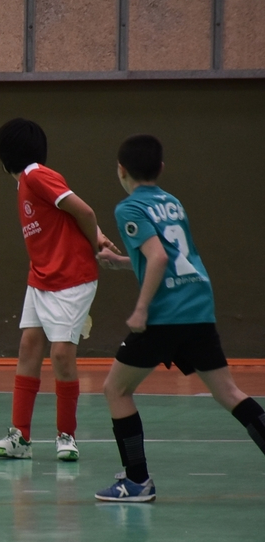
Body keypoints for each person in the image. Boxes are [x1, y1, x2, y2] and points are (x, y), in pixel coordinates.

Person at [94, 134, 265, 502]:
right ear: (161, 168)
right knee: (229, 393)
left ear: (121, 170)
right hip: (198, 305)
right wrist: (123, 262)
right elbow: (171, 257)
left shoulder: (129, 208)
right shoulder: (172, 202)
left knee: (116, 389)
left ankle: (137, 481)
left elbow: (158, 258)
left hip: (165, 315)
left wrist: (141, 309)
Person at [0, 118, 116, 461]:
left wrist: (97, 240)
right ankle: (20, 438)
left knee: (61, 354)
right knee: (29, 347)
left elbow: (84, 210)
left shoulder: (36, 175)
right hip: (40, 277)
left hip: (72, 277)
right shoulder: (24, 184)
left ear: (4, 156)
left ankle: (66, 435)